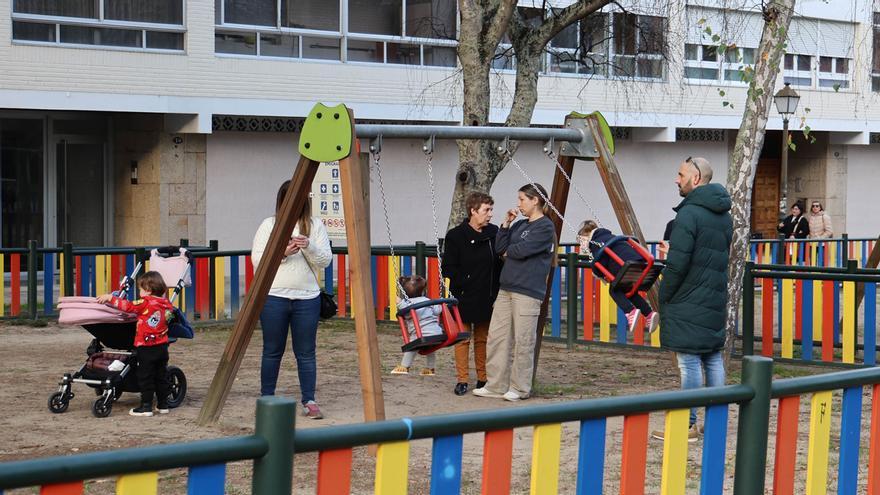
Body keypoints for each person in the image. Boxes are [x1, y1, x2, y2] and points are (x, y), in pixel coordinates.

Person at [652, 157, 732, 441]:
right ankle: (716, 423)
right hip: (713, 296)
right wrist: (676, 251)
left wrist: (665, 294)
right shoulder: (723, 215)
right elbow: (705, 253)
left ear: (695, 178)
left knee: (688, 362)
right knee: (712, 358)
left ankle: (687, 424)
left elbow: (679, 265)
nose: (677, 179)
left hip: (687, 297)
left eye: (681, 174)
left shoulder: (688, 214)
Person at [252, 180, 332, 420]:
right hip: (274, 296)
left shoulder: (315, 225)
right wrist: (283, 253)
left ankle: (309, 400)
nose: (294, 203)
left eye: (299, 198)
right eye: (289, 198)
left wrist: (309, 246)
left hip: (307, 298)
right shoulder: (269, 225)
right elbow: (258, 260)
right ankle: (267, 397)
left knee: (306, 352)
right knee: (272, 350)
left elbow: (325, 260)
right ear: (282, 200)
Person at [473, 183, 556, 402]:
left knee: (523, 341)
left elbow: (521, 251)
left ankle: (520, 388)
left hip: (528, 291)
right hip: (506, 288)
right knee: (497, 337)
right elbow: (501, 248)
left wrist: (510, 251)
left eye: (522, 199)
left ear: (535, 200)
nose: (518, 204)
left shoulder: (545, 227)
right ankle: (495, 385)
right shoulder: (519, 224)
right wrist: (506, 224)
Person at [442, 192, 503, 396]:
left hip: (488, 293)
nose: (490, 214)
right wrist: (462, 285)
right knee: (463, 339)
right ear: (473, 211)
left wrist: (497, 289)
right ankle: (462, 380)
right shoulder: (456, 235)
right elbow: (448, 267)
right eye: (486, 210)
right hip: (464, 295)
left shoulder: (493, 232)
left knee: (483, 339)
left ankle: (483, 378)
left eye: (491, 209)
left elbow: (499, 262)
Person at [97, 272, 175, 417]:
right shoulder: (167, 305)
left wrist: (110, 298)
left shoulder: (145, 302)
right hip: (162, 347)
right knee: (161, 376)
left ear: (148, 289)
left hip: (146, 347)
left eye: (140, 289)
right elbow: (167, 320)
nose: (140, 292)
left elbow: (128, 306)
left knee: (146, 377)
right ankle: (163, 405)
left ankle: (146, 407)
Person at [578, 220, 659, 333]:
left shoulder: (595, 243)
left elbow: (600, 264)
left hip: (625, 265)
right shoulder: (610, 236)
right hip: (640, 264)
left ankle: (630, 312)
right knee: (628, 291)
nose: (582, 244)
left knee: (614, 290)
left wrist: (597, 273)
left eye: (582, 241)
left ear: (586, 236)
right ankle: (649, 314)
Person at [391, 275, 443, 376]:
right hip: (436, 333)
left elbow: (404, 311)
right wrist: (439, 303)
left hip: (420, 334)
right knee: (430, 348)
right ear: (422, 290)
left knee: (412, 347)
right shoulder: (428, 300)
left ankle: (404, 366)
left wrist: (399, 302)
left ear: (405, 293)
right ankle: (430, 368)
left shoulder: (407, 303)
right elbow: (437, 311)